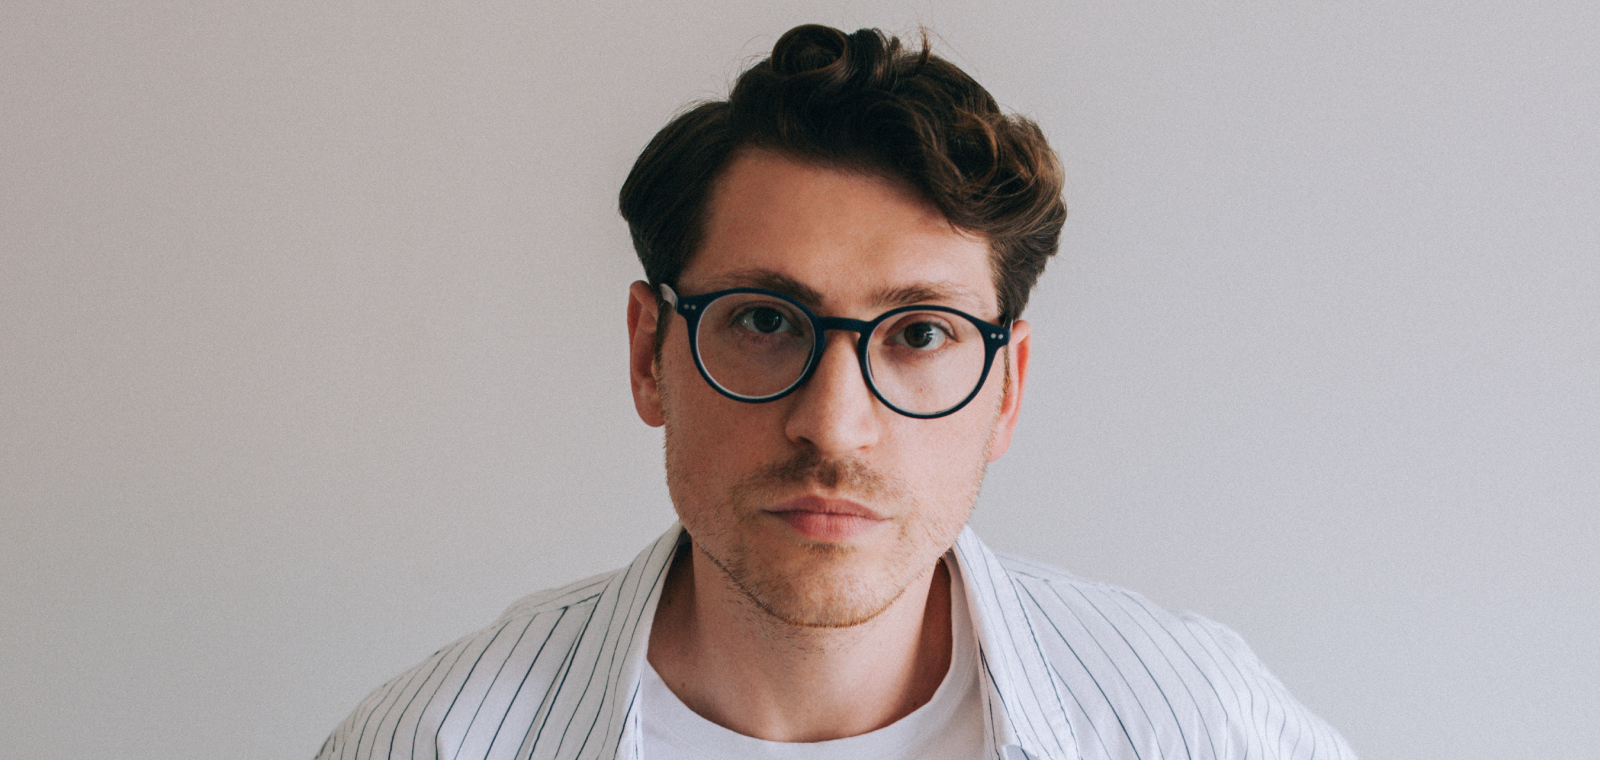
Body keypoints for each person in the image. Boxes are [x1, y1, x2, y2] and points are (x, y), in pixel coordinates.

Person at [316, 24, 1356, 760]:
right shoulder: (437, 741)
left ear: (1005, 390)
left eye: (920, 334)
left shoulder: (1194, 725)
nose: (833, 424)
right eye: (765, 322)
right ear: (648, 354)